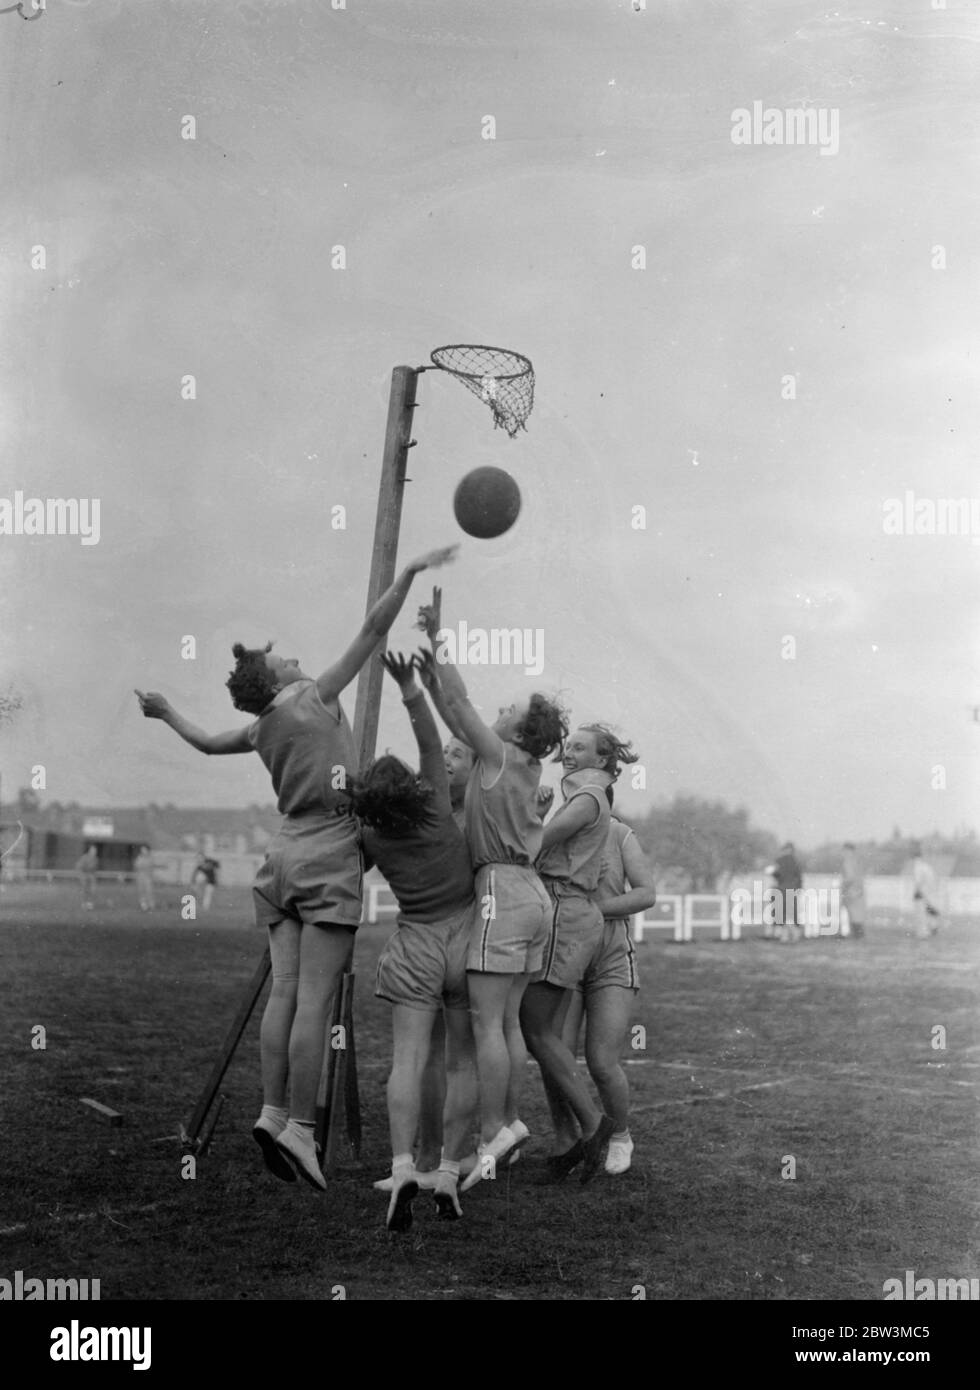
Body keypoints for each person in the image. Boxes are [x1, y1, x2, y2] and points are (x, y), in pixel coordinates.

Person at [135, 542, 456, 1190]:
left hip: (279, 856)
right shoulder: (311, 696)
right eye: (282, 657)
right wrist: (410, 572)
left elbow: (201, 743)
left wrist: (165, 710)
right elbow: (373, 629)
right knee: (314, 1000)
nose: (293, 657)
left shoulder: (260, 728)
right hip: (329, 851)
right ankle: (302, 1133)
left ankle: (272, 1108)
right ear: (276, 678)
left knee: (283, 994)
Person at [419, 586, 567, 1189]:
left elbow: (457, 704)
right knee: (504, 1023)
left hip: (501, 890)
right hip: (532, 895)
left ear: (518, 729)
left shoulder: (500, 754)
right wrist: (429, 673)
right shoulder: (521, 764)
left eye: (508, 708)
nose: (497, 710)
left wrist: (436, 641)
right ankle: (504, 1124)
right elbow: (451, 704)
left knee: (486, 1026)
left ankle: (495, 1132)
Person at [351, 652, 477, 1231]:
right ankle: (447, 1170)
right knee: (460, 1063)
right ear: (412, 786)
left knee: (407, 1062)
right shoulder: (435, 805)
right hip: (468, 940)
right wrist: (408, 686)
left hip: (416, 946)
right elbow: (432, 739)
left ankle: (404, 1166)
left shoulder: (371, 836)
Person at [523, 724, 636, 1182]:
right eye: (567, 746)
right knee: (543, 1032)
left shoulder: (590, 798)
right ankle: (575, 1137)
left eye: (579, 748)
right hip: (564, 914)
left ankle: (596, 1131)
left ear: (604, 760)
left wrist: (527, 821)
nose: (567, 753)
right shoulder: (581, 796)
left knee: (537, 1028)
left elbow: (533, 845)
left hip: (568, 917)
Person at [555, 784, 656, 1176]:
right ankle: (568, 1140)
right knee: (558, 1057)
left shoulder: (620, 834)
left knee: (601, 1061)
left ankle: (620, 1135)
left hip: (610, 958)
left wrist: (593, 909)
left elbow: (646, 893)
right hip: (564, 956)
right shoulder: (558, 834)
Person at [772, 841, 803, 943]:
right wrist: (798, 888)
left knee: (781, 914)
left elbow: (776, 874)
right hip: (791, 889)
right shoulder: (795, 861)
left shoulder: (779, 861)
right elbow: (799, 878)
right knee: (790, 913)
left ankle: (787, 935)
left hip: (780, 889)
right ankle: (793, 934)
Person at [909, 842, 941, 938]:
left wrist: (916, 892)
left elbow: (919, 881)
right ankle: (933, 928)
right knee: (930, 911)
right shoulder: (926, 866)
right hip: (930, 892)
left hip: (922, 893)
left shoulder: (918, 867)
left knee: (921, 913)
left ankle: (923, 932)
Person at [840, 842, 864, 940]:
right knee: (857, 914)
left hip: (851, 891)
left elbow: (850, 878)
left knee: (851, 913)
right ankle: (858, 935)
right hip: (858, 891)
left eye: (845, 850)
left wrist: (842, 886)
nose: (843, 853)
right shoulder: (856, 861)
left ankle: (853, 934)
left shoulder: (848, 862)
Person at [75, 845, 98, 911]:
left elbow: (94, 869)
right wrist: (82, 874)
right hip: (84, 874)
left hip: (90, 875)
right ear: (90, 851)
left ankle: (90, 903)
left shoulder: (96, 859)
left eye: (95, 851)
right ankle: (84, 903)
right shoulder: (84, 857)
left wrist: (92, 875)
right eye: (93, 850)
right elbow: (79, 867)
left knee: (93, 889)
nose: (94, 852)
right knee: (85, 889)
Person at [134, 845, 155, 912]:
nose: (143, 851)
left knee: (149, 891)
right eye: (142, 850)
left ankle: (151, 905)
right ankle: (143, 905)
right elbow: (137, 865)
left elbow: (150, 866)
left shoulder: (150, 858)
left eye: (144, 850)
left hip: (148, 877)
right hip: (140, 877)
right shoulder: (139, 857)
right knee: (141, 891)